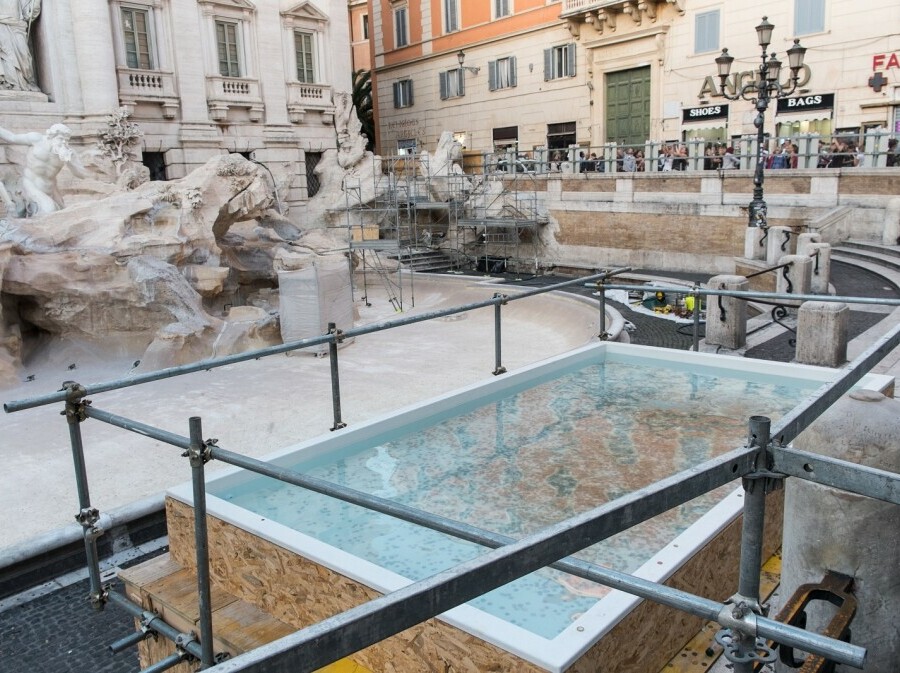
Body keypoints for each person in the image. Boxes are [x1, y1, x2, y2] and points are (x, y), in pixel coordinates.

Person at [0, 122, 88, 215]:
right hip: (30, 185)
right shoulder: (37, 139)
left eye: (66, 140)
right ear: (51, 136)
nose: (63, 143)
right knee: (49, 210)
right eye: (60, 139)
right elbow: (12, 138)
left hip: (51, 190)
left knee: (62, 215)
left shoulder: (68, 153)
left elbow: (81, 175)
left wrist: (71, 161)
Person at [0, 0, 41, 92]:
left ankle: (26, 82)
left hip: (17, 26)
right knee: (5, 55)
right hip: (1, 25)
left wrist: (36, 3)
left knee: (24, 55)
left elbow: (28, 13)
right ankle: (9, 84)